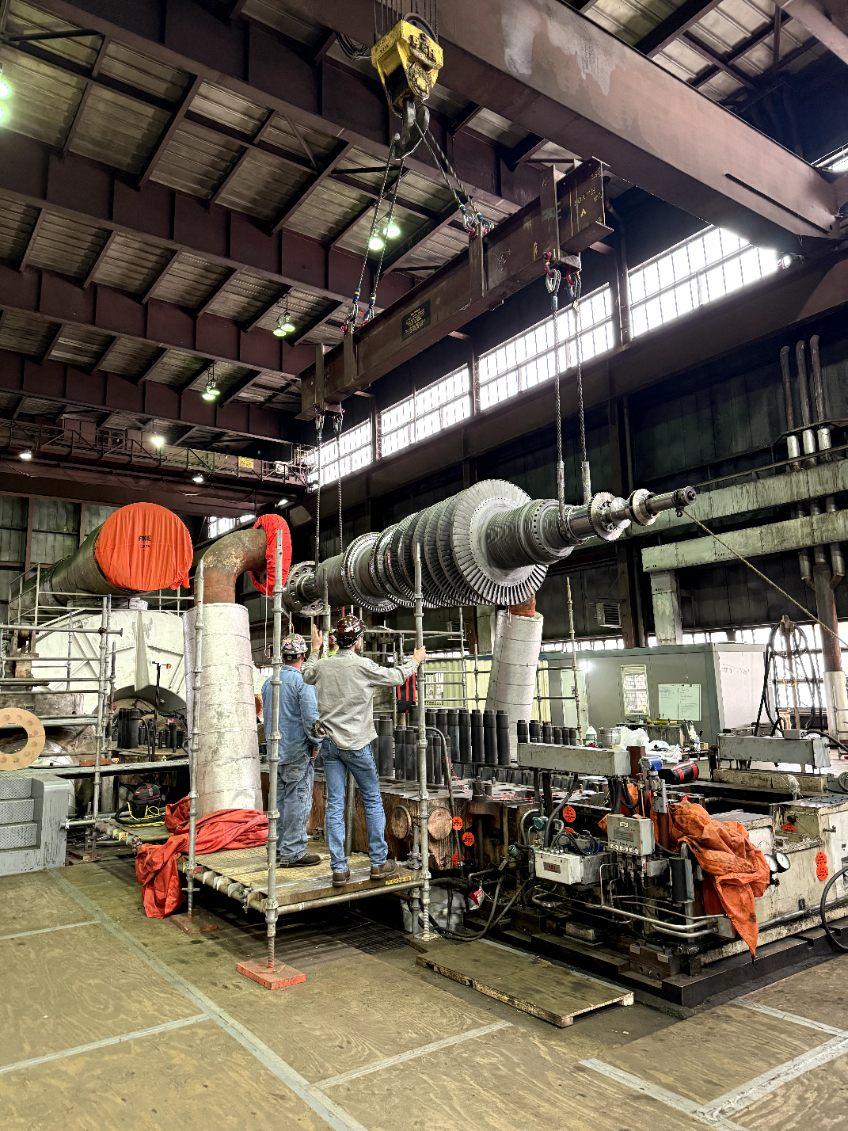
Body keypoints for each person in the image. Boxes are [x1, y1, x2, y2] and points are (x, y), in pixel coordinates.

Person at [304, 615, 426, 887]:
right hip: (357, 745)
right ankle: (378, 863)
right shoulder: (363, 666)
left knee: (335, 804)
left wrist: (315, 648)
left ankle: (339, 869)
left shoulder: (323, 666)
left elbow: (306, 673)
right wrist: (415, 661)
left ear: (336, 639)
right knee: (371, 799)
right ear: (358, 641)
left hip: (330, 745)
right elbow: (396, 677)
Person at [261, 633, 321, 867]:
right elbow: (311, 720)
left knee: (277, 804)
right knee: (297, 802)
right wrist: (316, 745)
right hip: (297, 752)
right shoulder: (302, 682)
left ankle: (275, 849)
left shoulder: (269, 682)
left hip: (276, 753)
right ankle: (293, 852)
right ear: (302, 656)